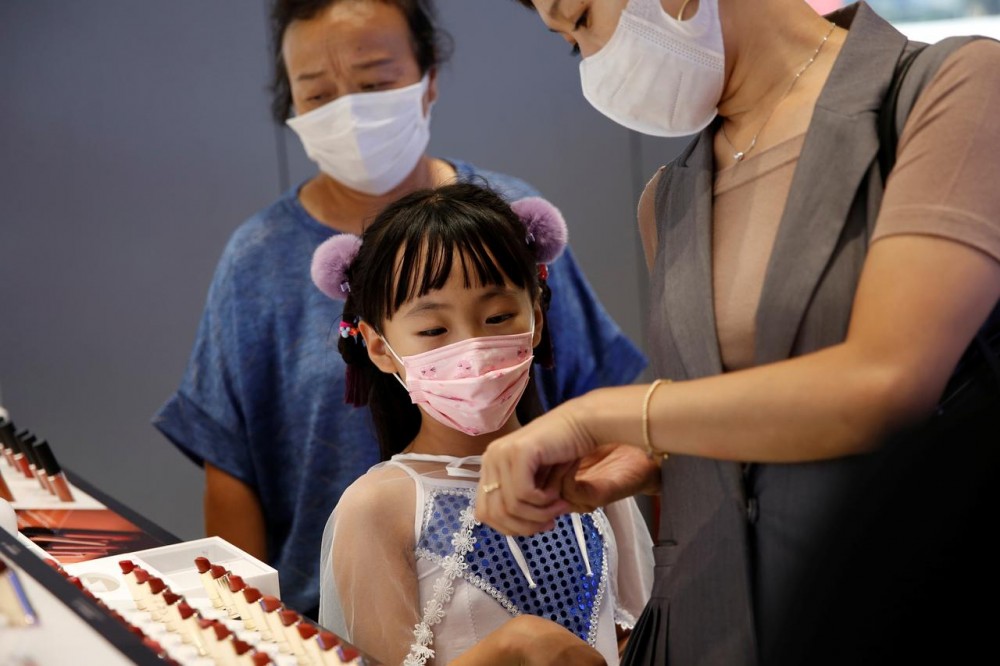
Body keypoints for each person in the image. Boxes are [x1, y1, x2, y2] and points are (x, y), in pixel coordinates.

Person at [476, 1, 1000, 664]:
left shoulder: (950, 89)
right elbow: (746, 419)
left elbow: (886, 381)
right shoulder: (669, 199)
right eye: (572, 44)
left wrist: (609, 415)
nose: (592, 63)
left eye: (582, 17)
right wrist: (660, 460)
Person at [152, 0, 646, 621]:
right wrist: (245, 629)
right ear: (374, 342)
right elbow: (230, 468)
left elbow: (609, 414)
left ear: (428, 77)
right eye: (318, 93)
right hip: (322, 623)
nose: (349, 110)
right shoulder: (258, 260)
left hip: (552, 601)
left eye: (375, 83)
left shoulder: (506, 222)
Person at [312, 182, 654, 666]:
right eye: (433, 330)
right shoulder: (379, 508)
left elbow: (640, 640)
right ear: (378, 347)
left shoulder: (589, 471)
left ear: (535, 313)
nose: (472, 348)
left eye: (497, 316)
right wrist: (514, 648)